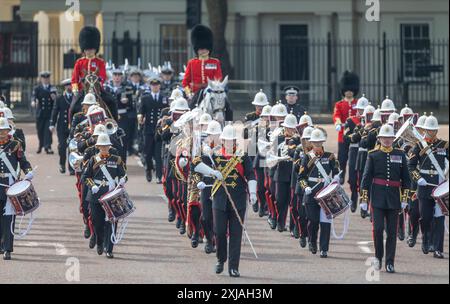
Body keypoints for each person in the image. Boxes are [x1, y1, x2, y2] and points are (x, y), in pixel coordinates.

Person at [194, 124, 256, 277]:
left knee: (236, 234)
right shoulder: (214, 155)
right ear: (222, 141)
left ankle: (234, 267)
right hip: (219, 200)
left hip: (239, 200)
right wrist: (212, 172)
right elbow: (195, 165)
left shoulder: (242, 156)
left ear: (235, 141)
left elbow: (251, 175)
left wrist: (253, 193)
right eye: (227, 140)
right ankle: (221, 259)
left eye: (232, 140)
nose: (229, 143)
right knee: (220, 232)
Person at [360, 124, 410, 273]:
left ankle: (390, 262)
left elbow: (406, 179)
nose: (387, 140)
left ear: (393, 139)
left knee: (392, 232)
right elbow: (366, 178)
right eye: (384, 137)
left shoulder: (400, 154)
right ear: (380, 138)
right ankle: (378, 257)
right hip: (377, 197)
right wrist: (364, 199)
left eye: (390, 138)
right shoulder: (373, 154)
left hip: (394, 198)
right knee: (378, 229)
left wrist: (405, 198)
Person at [407, 114, 448, 259]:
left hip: (439, 187)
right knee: (425, 217)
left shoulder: (444, 145)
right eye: (429, 130)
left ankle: (438, 249)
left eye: (434, 130)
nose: (431, 133)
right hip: (424, 187)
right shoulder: (418, 147)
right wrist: (418, 178)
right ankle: (425, 239)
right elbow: (411, 166)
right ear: (424, 130)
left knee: (439, 218)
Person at [82, 133, 127, 258]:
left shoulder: (116, 159)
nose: (104, 148)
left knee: (112, 221)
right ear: (98, 147)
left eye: (106, 146)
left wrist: (123, 180)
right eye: (102, 146)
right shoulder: (93, 160)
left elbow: (124, 174)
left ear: (109, 146)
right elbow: (85, 177)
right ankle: (100, 242)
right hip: (96, 195)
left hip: (111, 194)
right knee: (97, 221)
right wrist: (92, 186)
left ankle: (109, 249)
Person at [297, 128, 340, 258]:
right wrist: (305, 188)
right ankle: (312, 241)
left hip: (326, 193)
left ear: (322, 141)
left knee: (325, 222)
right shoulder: (307, 157)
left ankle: (324, 248)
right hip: (312, 193)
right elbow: (301, 177)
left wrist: (337, 178)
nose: (317, 144)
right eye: (314, 142)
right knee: (313, 221)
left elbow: (336, 171)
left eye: (319, 141)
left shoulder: (330, 156)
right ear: (311, 143)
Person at [0, 117, 33, 260]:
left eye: (4, 130)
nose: (2, 133)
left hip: (9, 184)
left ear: (8, 130)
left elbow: (23, 161)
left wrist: (29, 171)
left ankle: (7, 248)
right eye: (0, 130)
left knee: (9, 217)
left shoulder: (15, 144)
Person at [71, 26, 117, 121]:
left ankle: (115, 124)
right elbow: (74, 78)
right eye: (87, 49)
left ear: (95, 49)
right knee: (72, 107)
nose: (89, 51)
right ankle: (71, 126)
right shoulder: (79, 62)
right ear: (84, 49)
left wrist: (98, 84)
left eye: (91, 49)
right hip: (82, 90)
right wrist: (75, 90)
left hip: (97, 89)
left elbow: (103, 75)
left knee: (112, 101)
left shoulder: (100, 62)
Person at [138, 77, 169, 182]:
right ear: (150, 86)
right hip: (148, 129)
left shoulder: (164, 97)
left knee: (158, 154)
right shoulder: (145, 98)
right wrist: (140, 118)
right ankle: (149, 169)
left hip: (159, 129)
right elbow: (141, 111)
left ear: (159, 86)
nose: (155, 87)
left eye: (157, 85)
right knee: (148, 153)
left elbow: (167, 111)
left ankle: (159, 176)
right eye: (153, 85)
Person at [182, 24, 223, 102]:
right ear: (197, 49)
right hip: (195, 94)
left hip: (211, 93)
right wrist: (188, 93)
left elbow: (218, 79)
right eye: (201, 48)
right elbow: (185, 82)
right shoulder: (192, 63)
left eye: (205, 48)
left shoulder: (215, 62)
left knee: (226, 108)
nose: (203, 50)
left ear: (209, 48)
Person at [343, 94, 369, 212]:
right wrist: (356, 135)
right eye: (360, 109)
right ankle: (353, 198)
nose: (361, 112)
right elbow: (346, 137)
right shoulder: (350, 120)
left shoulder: (370, 122)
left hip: (366, 151)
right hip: (354, 150)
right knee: (353, 178)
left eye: (363, 110)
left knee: (365, 177)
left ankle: (364, 204)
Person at [333, 71, 359, 185]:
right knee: (342, 158)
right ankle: (341, 176)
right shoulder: (339, 104)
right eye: (347, 90)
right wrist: (338, 123)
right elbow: (336, 115)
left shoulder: (358, 103)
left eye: (350, 90)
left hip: (355, 134)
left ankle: (354, 177)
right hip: (343, 134)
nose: (348, 92)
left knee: (354, 158)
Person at [50, 79, 73, 174]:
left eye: (70, 85)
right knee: (62, 147)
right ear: (64, 87)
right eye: (67, 85)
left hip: (73, 126)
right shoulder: (59, 98)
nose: (69, 87)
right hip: (62, 126)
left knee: (72, 148)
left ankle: (71, 168)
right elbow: (55, 111)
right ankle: (62, 164)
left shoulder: (76, 97)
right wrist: (52, 123)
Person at [31, 71, 56, 154]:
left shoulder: (52, 88)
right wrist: (33, 102)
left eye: (47, 78)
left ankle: (48, 147)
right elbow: (34, 96)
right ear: (41, 79)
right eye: (44, 78)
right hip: (40, 113)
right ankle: (41, 145)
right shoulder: (37, 88)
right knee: (40, 130)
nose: (45, 80)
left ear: (49, 79)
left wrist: (54, 98)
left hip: (49, 113)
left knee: (48, 131)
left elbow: (56, 99)